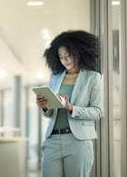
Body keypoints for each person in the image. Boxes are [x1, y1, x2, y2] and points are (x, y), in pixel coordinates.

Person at [36, 30, 102, 177]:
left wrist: (71, 108)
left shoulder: (93, 77)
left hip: (78, 141)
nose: (66, 60)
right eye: (61, 57)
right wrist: (45, 105)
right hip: (53, 139)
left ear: (78, 52)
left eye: (68, 55)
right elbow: (51, 111)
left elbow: (97, 112)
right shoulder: (55, 77)